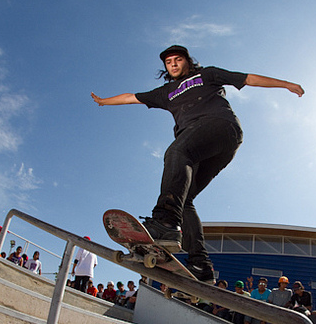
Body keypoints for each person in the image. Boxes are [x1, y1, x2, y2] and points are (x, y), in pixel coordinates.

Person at [91, 45, 304, 283]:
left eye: (178, 59)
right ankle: (200, 264)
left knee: (177, 151)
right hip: (208, 148)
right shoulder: (165, 92)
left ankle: (165, 221)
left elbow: (247, 78)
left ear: (187, 61)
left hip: (221, 126)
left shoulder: (207, 74)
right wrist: (104, 101)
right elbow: (131, 97)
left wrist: (286, 84)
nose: (173, 64)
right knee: (185, 198)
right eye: (168, 62)